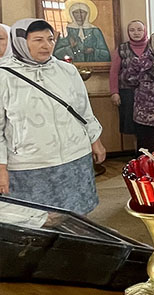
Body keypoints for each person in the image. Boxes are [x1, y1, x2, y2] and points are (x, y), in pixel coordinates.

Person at [0, 18, 105, 214]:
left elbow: (84, 111)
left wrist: (95, 141)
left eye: (50, 39)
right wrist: (1, 168)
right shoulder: (4, 76)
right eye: (38, 40)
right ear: (20, 41)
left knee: (78, 216)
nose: (46, 46)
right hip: (30, 164)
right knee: (36, 221)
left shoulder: (67, 70)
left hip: (75, 156)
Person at [110, 20, 148, 140]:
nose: (136, 33)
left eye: (139, 29)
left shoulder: (153, 47)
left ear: (144, 31)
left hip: (149, 94)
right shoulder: (122, 49)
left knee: (148, 124)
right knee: (131, 125)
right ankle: (137, 152)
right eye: (132, 30)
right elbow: (114, 72)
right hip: (127, 92)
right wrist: (114, 92)